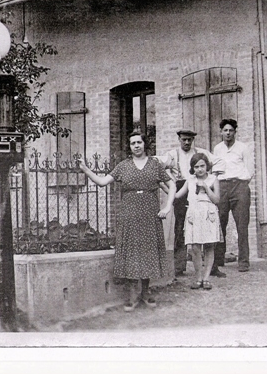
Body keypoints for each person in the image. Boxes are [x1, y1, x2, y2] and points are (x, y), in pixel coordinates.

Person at [78, 131, 176, 312]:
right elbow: (101, 182)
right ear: (129, 147)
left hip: (150, 212)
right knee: (131, 250)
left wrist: (167, 206)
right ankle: (132, 293)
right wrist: (85, 169)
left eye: (139, 142)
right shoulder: (123, 166)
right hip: (129, 213)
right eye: (133, 143)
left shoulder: (155, 165)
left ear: (144, 144)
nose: (136, 146)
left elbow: (172, 185)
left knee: (147, 250)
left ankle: (146, 291)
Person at [162, 130, 225, 277]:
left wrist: (212, 178)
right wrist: (168, 183)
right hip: (184, 186)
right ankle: (179, 266)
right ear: (179, 139)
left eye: (189, 140)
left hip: (203, 189)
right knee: (181, 227)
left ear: (193, 140)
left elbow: (220, 162)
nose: (186, 142)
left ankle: (213, 267)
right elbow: (159, 164)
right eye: (184, 139)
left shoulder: (201, 152)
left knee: (210, 231)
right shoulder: (172, 154)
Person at [175, 153, 222, 290]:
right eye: (196, 167)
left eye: (202, 166)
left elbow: (217, 200)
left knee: (209, 246)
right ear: (192, 168)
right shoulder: (189, 180)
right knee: (195, 247)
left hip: (208, 213)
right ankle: (198, 277)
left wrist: (206, 188)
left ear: (207, 166)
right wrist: (166, 185)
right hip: (194, 213)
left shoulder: (213, 179)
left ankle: (206, 278)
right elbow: (178, 195)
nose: (200, 169)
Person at [213, 119, 253, 273]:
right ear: (221, 132)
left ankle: (243, 262)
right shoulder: (217, 149)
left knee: (242, 225)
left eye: (231, 130)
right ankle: (218, 259)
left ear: (235, 132)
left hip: (239, 187)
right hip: (222, 187)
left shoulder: (243, 148)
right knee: (220, 223)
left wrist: (242, 183)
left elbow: (250, 169)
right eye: (225, 130)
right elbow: (215, 169)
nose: (228, 133)